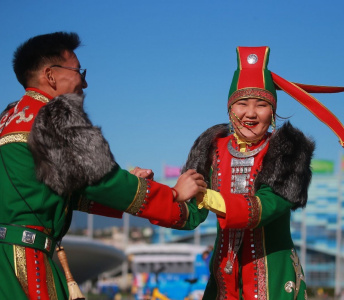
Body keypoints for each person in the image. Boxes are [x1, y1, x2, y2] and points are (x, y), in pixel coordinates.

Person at [152, 46, 344, 299]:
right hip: (224, 283)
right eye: (242, 103)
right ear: (229, 109)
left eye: (261, 104)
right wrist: (149, 192)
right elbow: (189, 215)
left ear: (272, 112)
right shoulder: (211, 148)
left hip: (275, 281)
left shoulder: (288, 150)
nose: (250, 113)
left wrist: (206, 197)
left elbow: (266, 206)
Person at [0, 32, 206, 299]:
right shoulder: (52, 117)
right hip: (25, 265)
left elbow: (58, 192)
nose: (84, 82)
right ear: (50, 75)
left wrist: (131, 181)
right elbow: (102, 182)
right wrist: (173, 194)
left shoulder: (9, 117)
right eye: (78, 71)